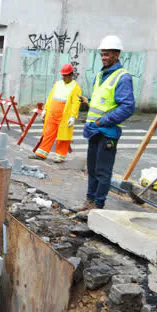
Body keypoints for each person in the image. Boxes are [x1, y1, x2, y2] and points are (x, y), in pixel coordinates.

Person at [75, 35, 135, 218]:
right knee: (92, 169)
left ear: (117, 55)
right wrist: (89, 102)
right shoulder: (101, 75)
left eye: (107, 54)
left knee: (102, 171)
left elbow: (127, 107)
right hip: (94, 130)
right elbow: (103, 101)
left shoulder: (123, 77)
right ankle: (89, 201)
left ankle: (98, 205)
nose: (103, 58)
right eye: (102, 54)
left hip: (107, 131)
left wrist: (102, 121)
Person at [29, 63, 82, 163]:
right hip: (53, 114)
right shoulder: (58, 84)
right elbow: (51, 97)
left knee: (63, 137)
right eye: (63, 75)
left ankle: (60, 157)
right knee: (48, 133)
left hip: (64, 116)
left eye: (66, 75)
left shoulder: (75, 87)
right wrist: (45, 109)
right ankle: (41, 153)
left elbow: (76, 103)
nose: (64, 77)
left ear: (71, 75)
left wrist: (73, 117)